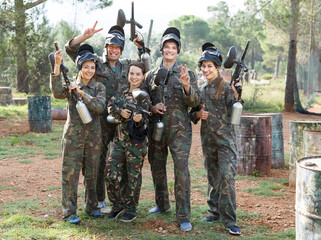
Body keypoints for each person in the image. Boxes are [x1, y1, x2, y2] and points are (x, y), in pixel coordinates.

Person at [65, 21, 143, 214]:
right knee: (97, 162)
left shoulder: (127, 66)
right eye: (111, 47)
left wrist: (141, 47)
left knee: (122, 160)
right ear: (106, 48)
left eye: (117, 47)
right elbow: (72, 50)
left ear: (122, 50)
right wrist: (84, 37)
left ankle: (123, 200)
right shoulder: (97, 64)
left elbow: (143, 69)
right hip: (100, 119)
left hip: (123, 122)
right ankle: (99, 200)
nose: (114, 50)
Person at [145, 27, 200, 232]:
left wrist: (187, 87)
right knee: (157, 167)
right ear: (162, 50)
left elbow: (196, 102)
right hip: (156, 130)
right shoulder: (150, 75)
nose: (169, 50)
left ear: (177, 51)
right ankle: (162, 204)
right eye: (167, 47)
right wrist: (152, 107)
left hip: (180, 132)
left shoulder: (187, 73)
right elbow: (144, 101)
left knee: (181, 171)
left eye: (173, 47)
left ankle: (184, 215)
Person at [189, 42, 242, 235]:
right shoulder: (201, 90)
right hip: (208, 141)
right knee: (213, 177)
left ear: (217, 68)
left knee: (227, 177)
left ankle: (230, 221)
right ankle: (214, 211)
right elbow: (192, 113)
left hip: (225, 142)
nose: (206, 70)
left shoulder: (227, 87)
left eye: (210, 66)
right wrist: (197, 115)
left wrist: (237, 94)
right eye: (203, 66)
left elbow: (236, 106)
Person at [50, 44, 106, 224]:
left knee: (92, 173)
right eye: (86, 67)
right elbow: (58, 93)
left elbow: (99, 107)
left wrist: (82, 93)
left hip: (93, 137)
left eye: (92, 67)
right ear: (80, 68)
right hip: (73, 136)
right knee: (70, 175)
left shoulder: (99, 87)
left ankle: (92, 207)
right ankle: (69, 212)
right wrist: (57, 67)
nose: (90, 70)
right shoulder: (70, 83)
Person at [106, 61, 150, 222]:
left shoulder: (144, 96)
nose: (134, 77)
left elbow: (145, 121)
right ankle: (117, 205)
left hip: (136, 144)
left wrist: (137, 120)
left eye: (138, 74)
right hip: (119, 140)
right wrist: (120, 112)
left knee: (133, 177)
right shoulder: (121, 91)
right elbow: (110, 106)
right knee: (111, 173)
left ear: (143, 76)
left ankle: (131, 209)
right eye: (132, 73)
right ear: (128, 74)